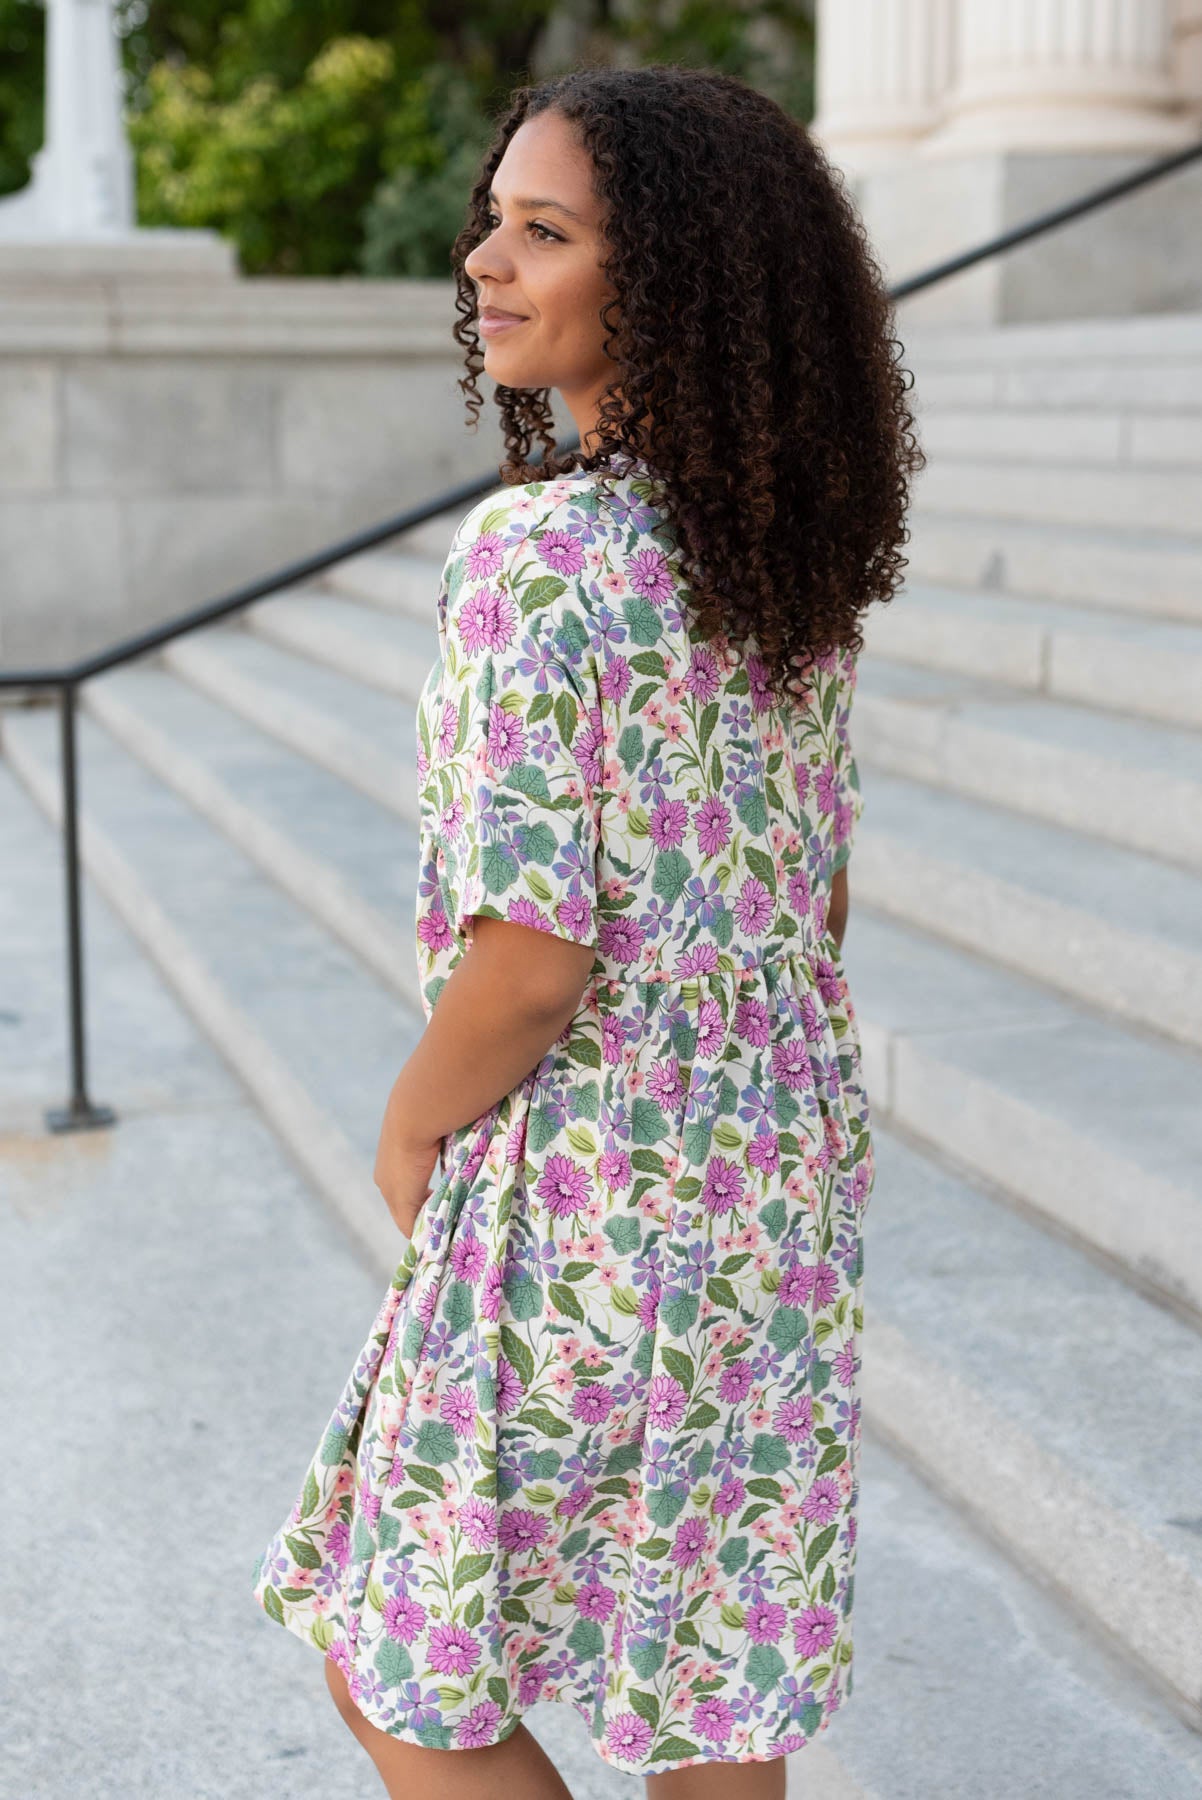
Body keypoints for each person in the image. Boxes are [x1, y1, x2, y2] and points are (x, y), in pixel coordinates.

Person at [251, 62, 921, 1800]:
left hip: (583, 1173)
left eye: (541, 232)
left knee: (399, 1653)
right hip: (771, 1174)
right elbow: (812, 893)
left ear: (673, 283)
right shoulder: (784, 558)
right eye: (496, 216)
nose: (483, 256)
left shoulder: (540, 558)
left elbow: (533, 959)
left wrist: (410, 1126)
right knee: (708, 1678)